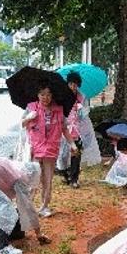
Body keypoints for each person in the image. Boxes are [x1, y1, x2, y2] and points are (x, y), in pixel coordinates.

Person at [22, 81, 75, 218]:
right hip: (35, 149)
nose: (45, 97)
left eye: (48, 95)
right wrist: (28, 117)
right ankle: (29, 206)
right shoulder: (31, 107)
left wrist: (72, 144)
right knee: (33, 178)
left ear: (52, 96)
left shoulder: (58, 110)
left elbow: (64, 129)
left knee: (48, 180)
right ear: (37, 95)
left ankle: (45, 206)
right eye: (42, 94)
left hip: (51, 149)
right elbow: (22, 124)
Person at [57, 72, 101, 188]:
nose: (73, 87)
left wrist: (82, 110)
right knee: (63, 155)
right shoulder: (61, 96)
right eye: (71, 84)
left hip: (78, 129)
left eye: (75, 84)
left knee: (76, 153)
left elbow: (86, 112)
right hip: (64, 129)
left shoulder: (82, 97)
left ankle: (74, 179)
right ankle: (66, 174)